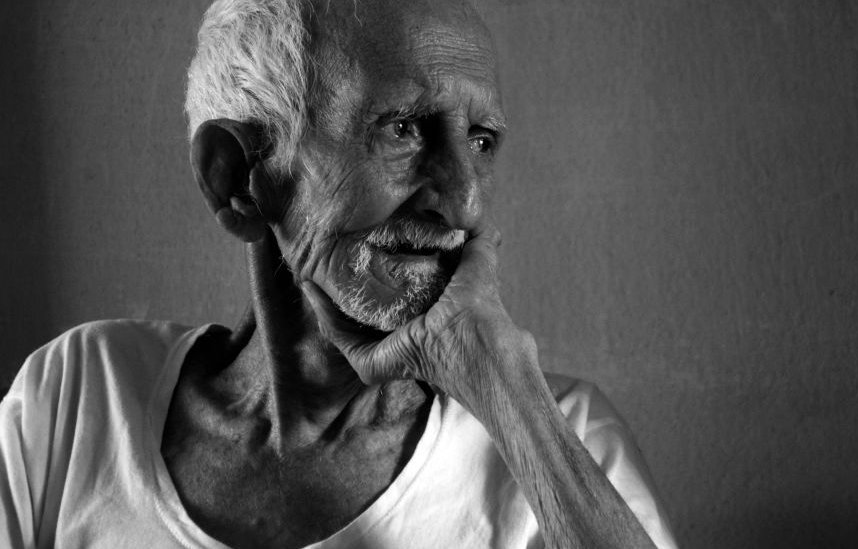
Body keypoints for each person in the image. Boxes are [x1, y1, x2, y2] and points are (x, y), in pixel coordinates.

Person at [0, 0, 678, 547]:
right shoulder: (75, 400)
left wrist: (506, 386)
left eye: (481, 141)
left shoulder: (565, 437)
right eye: (404, 128)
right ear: (237, 177)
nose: (465, 200)